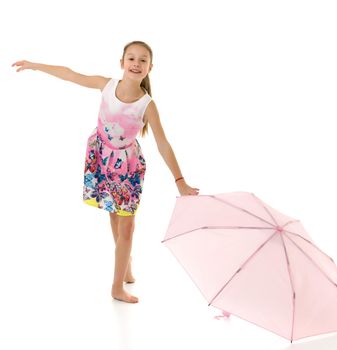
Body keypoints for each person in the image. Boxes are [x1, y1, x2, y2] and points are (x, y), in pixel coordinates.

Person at [12, 40, 200, 304]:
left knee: (127, 227)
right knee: (114, 217)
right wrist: (35, 66)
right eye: (131, 58)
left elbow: (162, 142)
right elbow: (71, 74)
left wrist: (180, 180)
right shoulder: (107, 85)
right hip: (102, 159)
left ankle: (116, 287)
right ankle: (126, 265)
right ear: (121, 63)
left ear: (150, 68)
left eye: (142, 60)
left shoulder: (147, 105)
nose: (136, 64)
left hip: (127, 170)